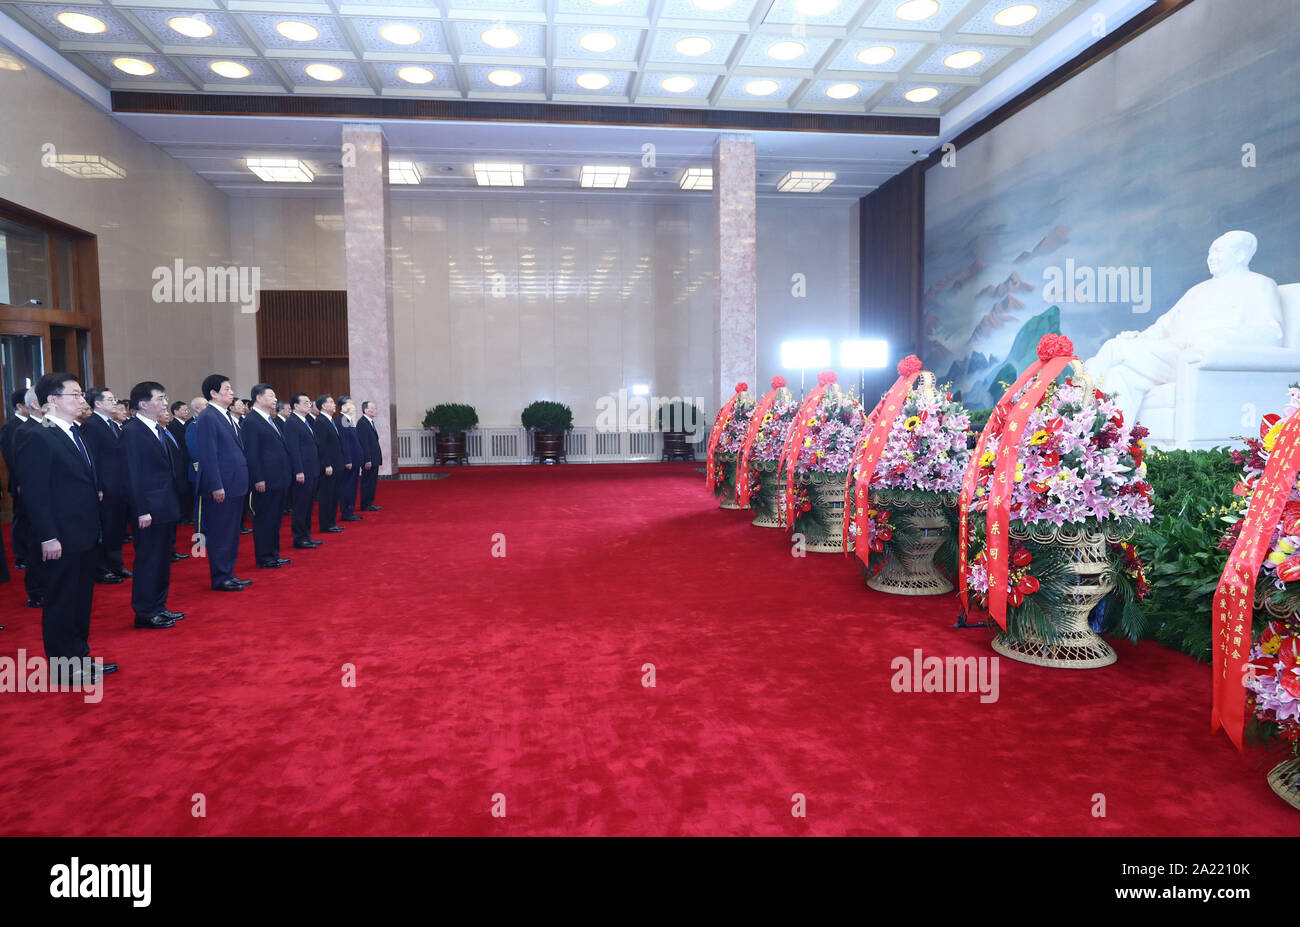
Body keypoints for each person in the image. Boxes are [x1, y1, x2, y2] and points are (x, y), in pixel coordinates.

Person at [1086, 230, 1286, 423]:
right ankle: (1109, 449)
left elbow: (1271, 333)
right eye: (1210, 252)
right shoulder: (1198, 290)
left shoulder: (1258, 284)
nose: (1211, 257)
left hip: (1202, 359)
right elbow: (1163, 326)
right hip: (1170, 355)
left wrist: (1217, 337)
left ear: (1241, 254)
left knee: (1115, 348)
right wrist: (1139, 338)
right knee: (1120, 376)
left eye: (1218, 251)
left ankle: (1075, 405)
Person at [16, 373, 117, 680]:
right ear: (51, 401)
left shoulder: (76, 432)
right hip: (60, 535)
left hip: (84, 532)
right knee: (62, 600)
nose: (81, 400)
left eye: (80, 394)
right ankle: (63, 668)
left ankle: (80, 657)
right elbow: (35, 492)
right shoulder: (38, 436)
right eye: (74, 395)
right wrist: (48, 536)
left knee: (81, 599)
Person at [121, 382, 185, 629]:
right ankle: (145, 611)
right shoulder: (133, 431)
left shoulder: (156, 429)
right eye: (160, 398)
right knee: (148, 561)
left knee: (161, 560)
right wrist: (141, 509)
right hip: (149, 509)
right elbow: (132, 474)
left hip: (166, 506)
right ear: (143, 404)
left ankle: (159, 606)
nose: (165, 402)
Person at [194, 374, 251, 592]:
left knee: (231, 532)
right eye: (226, 389)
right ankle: (220, 577)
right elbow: (208, 455)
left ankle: (229, 572)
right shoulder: (208, 417)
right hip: (222, 486)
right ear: (214, 393)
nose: (231, 392)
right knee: (220, 533)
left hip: (235, 483)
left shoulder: (225, 416)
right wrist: (216, 484)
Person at [80, 387, 131, 584]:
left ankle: (115, 565)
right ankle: (101, 569)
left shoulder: (114, 424)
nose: (115, 402)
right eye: (110, 399)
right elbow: (92, 460)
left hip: (119, 486)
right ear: (97, 403)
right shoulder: (91, 425)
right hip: (105, 487)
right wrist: (98, 486)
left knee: (117, 528)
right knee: (105, 528)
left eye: (115, 398)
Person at [243, 383, 292, 569]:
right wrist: (258, 478)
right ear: (259, 398)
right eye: (271, 396)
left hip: (279, 479)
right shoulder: (251, 421)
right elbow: (252, 453)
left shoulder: (269, 420)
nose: (275, 399)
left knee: (275, 519)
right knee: (264, 519)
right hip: (265, 480)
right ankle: (264, 557)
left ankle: (274, 553)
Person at [13, 387, 49, 608]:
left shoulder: (49, 425)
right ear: (35, 404)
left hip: (53, 497)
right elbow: (20, 468)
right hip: (33, 495)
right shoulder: (24, 430)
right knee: (36, 545)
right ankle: (36, 591)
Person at [284, 393, 321, 549]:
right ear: (296, 406)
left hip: (312, 470)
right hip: (302, 472)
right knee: (300, 506)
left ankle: (306, 535)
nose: (309, 404)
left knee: (308, 506)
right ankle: (299, 538)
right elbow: (293, 449)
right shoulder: (292, 422)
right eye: (305, 402)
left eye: (309, 402)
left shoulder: (305, 421)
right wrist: (298, 470)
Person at [1, 389, 31, 570]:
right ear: (20, 406)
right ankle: (21, 556)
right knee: (21, 518)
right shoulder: (9, 428)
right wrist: (20, 483)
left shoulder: (40, 424)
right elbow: (11, 460)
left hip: (34, 482)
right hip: (21, 482)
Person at [158, 406, 191, 562]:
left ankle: (171, 549)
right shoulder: (158, 433)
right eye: (163, 412)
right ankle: (167, 551)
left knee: (173, 519)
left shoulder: (167, 431)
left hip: (177, 479)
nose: (166, 414)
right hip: (167, 483)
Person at [312, 394, 344, 534]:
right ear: (323, 406)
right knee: (327, 495)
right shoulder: (320, 421)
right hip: (329, 466)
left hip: (336, 464)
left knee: (334, 494)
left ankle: (331, 522)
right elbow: (321, 446)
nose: (334, 404)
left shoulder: (330, 420)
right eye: (331, 402)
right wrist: (327, 465)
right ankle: (326, 524)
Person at [336, 396, 363, 522]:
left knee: (352, 486)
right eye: (350, 404)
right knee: (348, 487)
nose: (353, 407)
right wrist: (348, 460)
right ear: (343, 407)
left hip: (355, 460)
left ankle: (350, 510)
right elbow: (344, 443)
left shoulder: (348, 420)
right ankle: (346, 512)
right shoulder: (342, 420)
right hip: (350, 461)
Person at [168, 401, 194, 524]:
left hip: (189, 461)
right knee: (183, 490)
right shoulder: (173, 426)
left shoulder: (187, 424)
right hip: (182, 463)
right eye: (183, 410)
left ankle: (189, 514)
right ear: (176, 412)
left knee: (189, 489)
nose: (186, 412)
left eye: (187, 409)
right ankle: (184, 516)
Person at [357, 401, 383, 511]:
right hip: (369, 459)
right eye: (372, 408)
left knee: (372, 481)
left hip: (374, 458)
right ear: (366, 410)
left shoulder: (369, 422)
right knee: (367, 482)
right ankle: (365, 504)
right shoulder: (362, 423)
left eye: (375, 408)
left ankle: (369, 503)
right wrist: (367, 459)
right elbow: (364, 443)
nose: (374, 410)